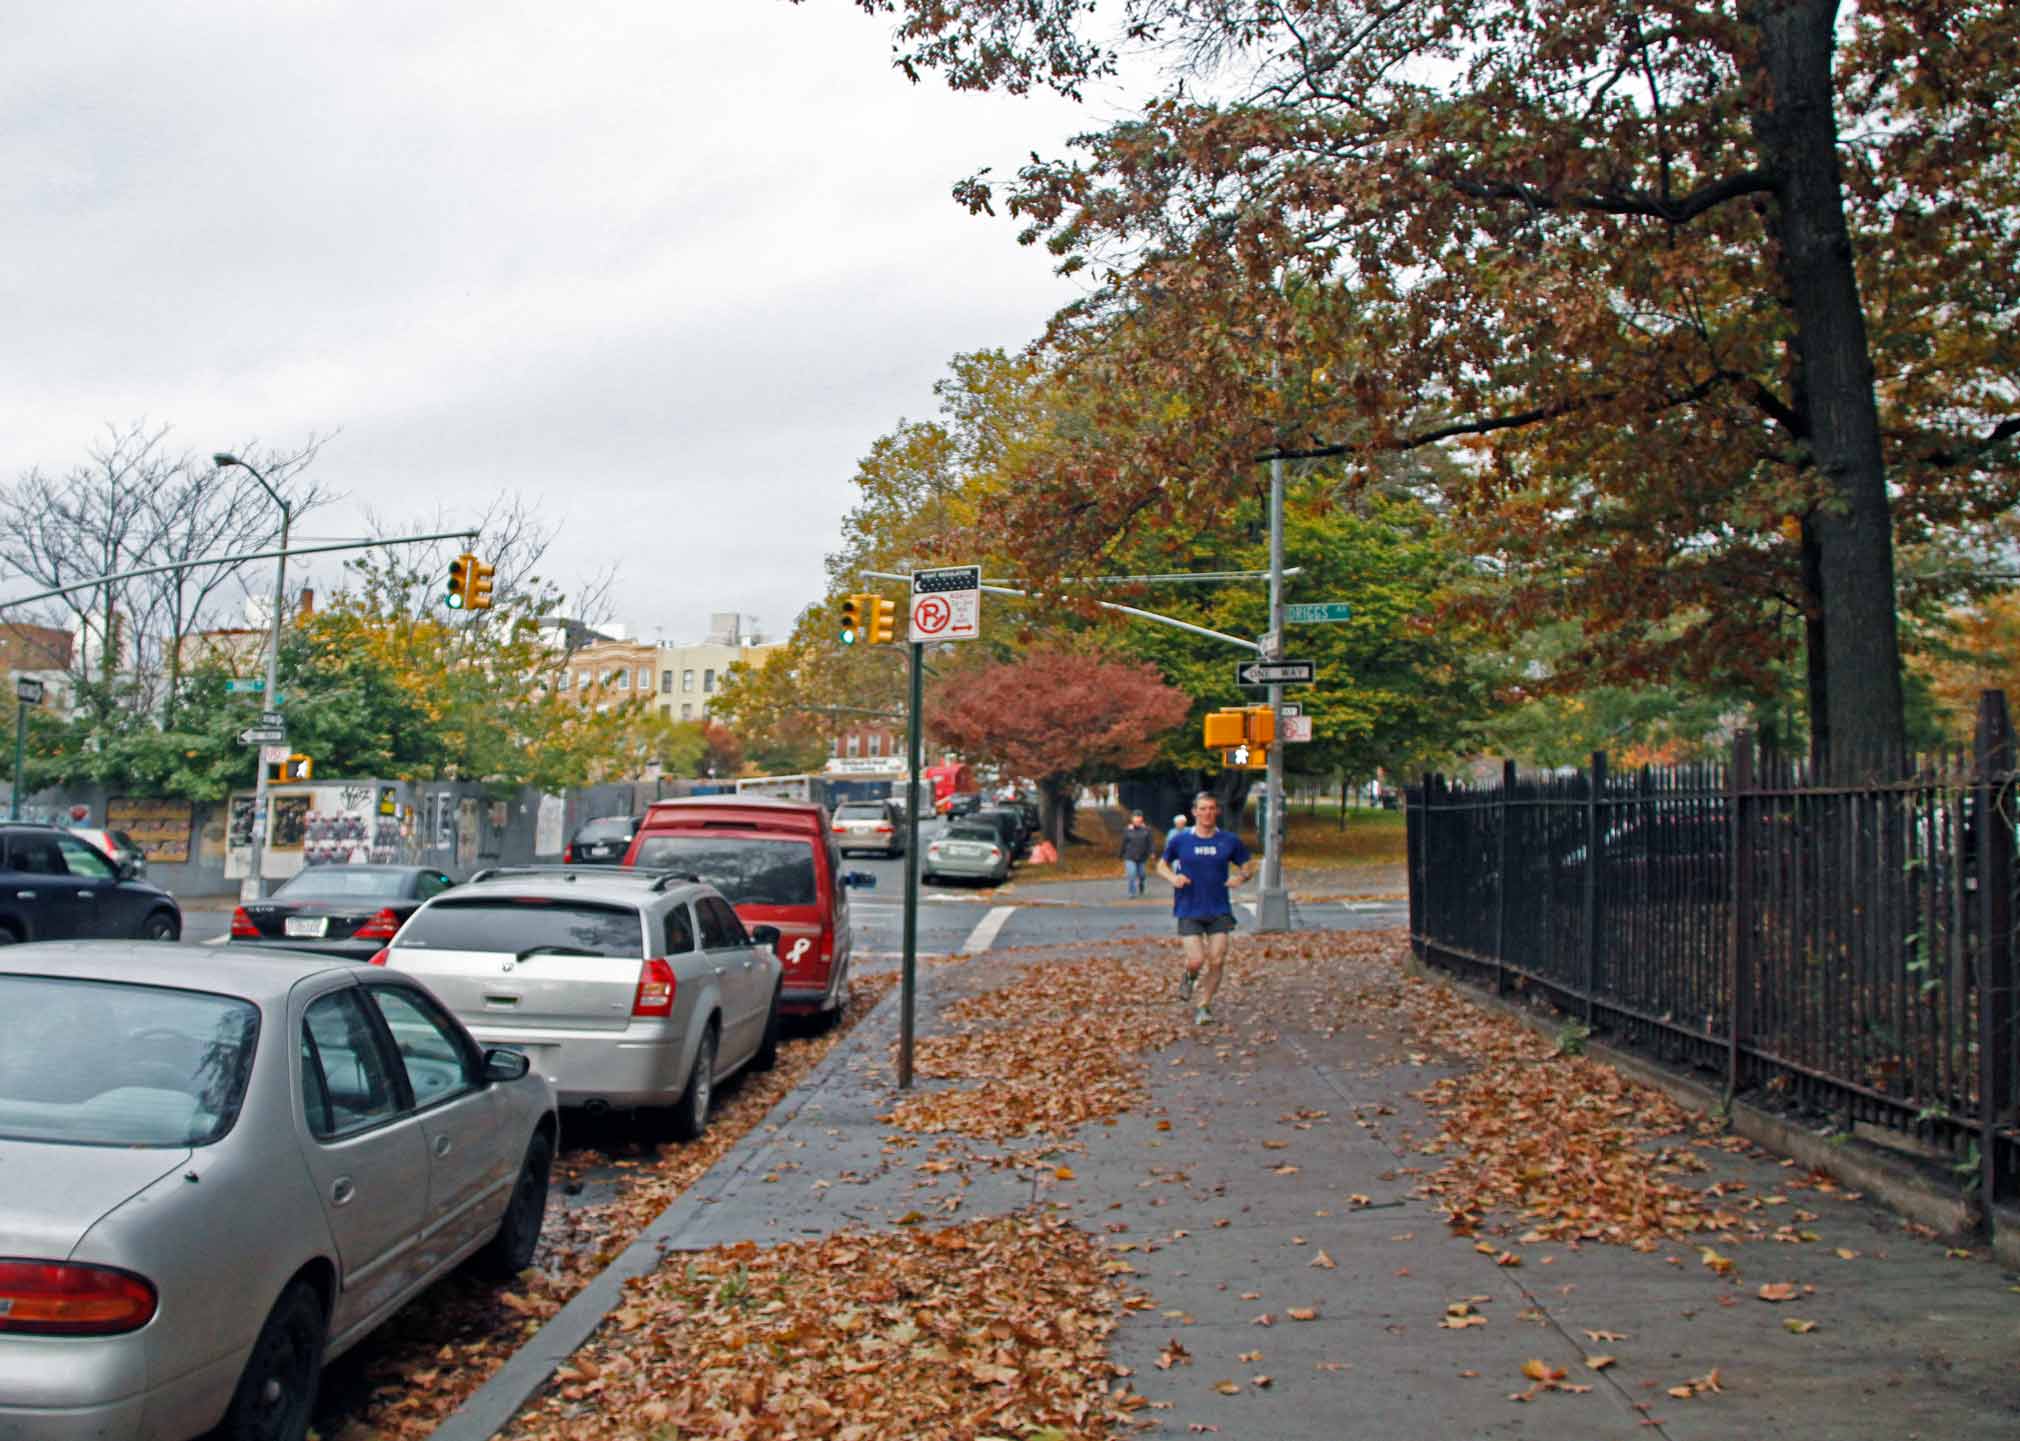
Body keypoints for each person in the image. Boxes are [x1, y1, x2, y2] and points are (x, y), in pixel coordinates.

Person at [1155, 792, 1254, 1026]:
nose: (1208, 813)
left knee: (1217, 960)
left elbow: (1247, 866)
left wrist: (1242, 877)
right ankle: (1189, 977)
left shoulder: (1228, 840)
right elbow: (1161, 865)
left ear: (1216, 811)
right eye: (1203, 808)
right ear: (1194, 812)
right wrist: (1173, 878)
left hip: (1218, 908)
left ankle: (1204, 1006)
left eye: (1211, 808)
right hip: (1189, 908)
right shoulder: (1181, 840)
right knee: (1197, 960)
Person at [1119, 811, 1154, 896]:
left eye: (1139, 819)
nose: (1137, 821)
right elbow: (1123, 842)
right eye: (1135, 819)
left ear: (1142, 819)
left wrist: (1152, 852)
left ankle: (1141, 884)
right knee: (1132, 874)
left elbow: (1150, 842)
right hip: (1130, 856)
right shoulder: (1127, 830)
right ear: (1132, 819)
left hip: (1142, 856)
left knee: (1142, 875)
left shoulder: (1147, 830)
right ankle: (1132, 892)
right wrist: (1121, 853)